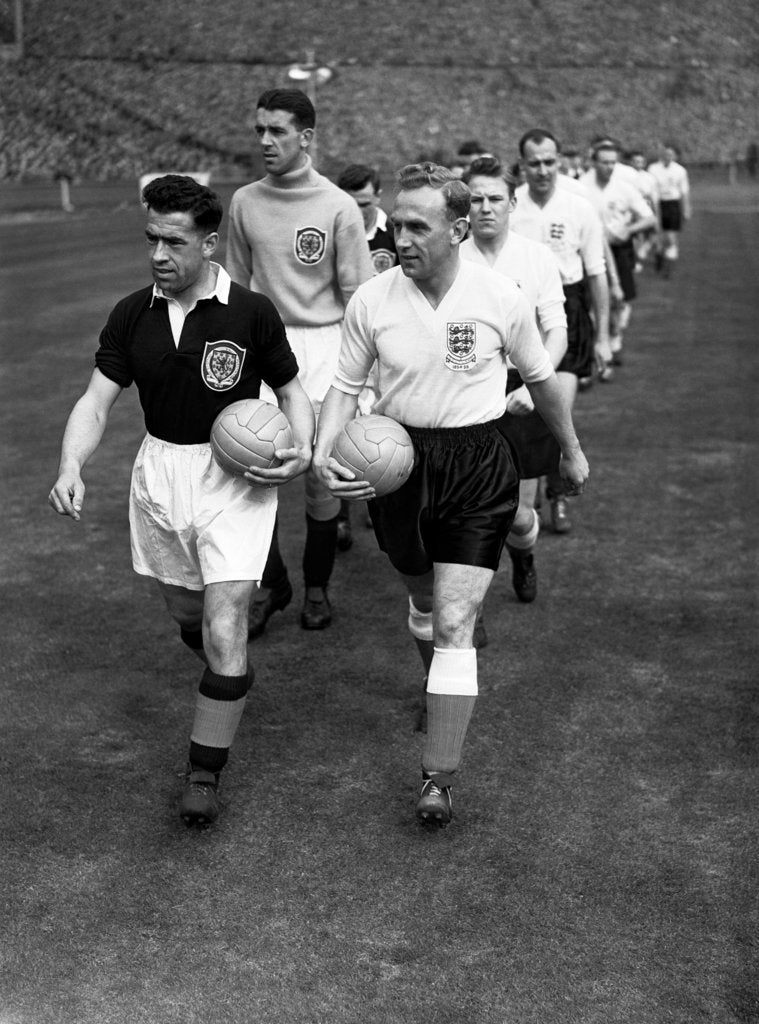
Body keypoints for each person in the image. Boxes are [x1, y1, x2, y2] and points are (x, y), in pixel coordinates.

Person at [312, 163, 589, 826]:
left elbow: (543, 379)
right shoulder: (371, 301)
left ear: (458, 229)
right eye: (397, 223)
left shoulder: (500, 296)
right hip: (396, 463)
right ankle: (432, 682)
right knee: (421, 603)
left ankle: (438, 776)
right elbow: (344, 387)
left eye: (417, 226)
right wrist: (323, 452)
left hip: (476, 464)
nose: (400, 237)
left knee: (456, 621)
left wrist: (570, 451)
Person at [48, 175, 315, 827]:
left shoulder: (249, 312)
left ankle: (203, 774)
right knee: (187, 614)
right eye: (152, 240)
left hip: (235, 479)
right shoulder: (130, 314)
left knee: (226, 622)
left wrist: (301, 444)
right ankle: (229, 678)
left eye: (174, 242)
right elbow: (95, 399)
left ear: (209, 243)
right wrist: (70, 462)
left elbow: (294, 389)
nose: (158, 255)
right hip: (160, 474)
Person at [226, 89, 374, 632]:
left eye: (278, 131)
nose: (265, 140)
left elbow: (359, 296)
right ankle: (274, 584)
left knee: (320, 475)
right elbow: (236, 285)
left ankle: (316, 588)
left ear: (306, 137)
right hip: (264, 348)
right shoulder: (244, 201)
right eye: (260, 129)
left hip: (325, 347)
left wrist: (367, 377)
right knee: (250, 471)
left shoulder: (337, 205)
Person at [460, 156, 568, 609]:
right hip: (465, 392)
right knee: (466, 514)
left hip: (521, 390)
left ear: (512, 203)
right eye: (476, 199)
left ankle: (523, 558)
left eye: (495, 199)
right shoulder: (450, 256)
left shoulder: (536, 257)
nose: (485, 207)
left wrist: (532, 384)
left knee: (520, 517)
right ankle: (465, 604)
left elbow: (557, 330)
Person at [510, 128, 609, 534]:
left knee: (557, 409)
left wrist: (602, 335)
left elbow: (597, 273)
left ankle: (557, 496)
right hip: (521, 311)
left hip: (568, 309)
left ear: (560, 160)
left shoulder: (579, 208)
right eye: (534, 163)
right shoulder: (510, 209)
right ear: (522, 166)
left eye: (550, 161)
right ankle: (527, 509)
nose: (543, 170)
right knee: (533, 410)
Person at [580, 141, 657, 365]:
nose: (609, 167)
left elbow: (649, 217)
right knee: (589, 300)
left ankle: (614, 340)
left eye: (613, 162)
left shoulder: (624, 187)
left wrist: (628, 230)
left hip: (618, 248)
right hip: (589, 249)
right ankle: (598, 346)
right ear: (593, 162)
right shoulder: (582, 187)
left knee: (618, 297)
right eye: (604, 162)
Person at [337, 163, 398, 275]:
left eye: (364, 205)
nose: (358, 212)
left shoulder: (396, 236)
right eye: (351, 205)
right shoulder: (331, 235)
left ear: (378, 196)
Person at [647, 144, 691, 278]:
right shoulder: (653, 168)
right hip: (656, 204)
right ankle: (659, 256)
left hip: (672, 205)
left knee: (671, 237)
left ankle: (668, 268)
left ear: (675, 156)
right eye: (666, 154)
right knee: (657, 237)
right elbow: (649, 188)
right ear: (661, 155)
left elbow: (684, 191)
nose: (668, 157)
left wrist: (686, 208)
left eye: (671, 155)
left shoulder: (680, 170)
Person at [627, 150, 660, 270]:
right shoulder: (627, 176)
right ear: (631, 162)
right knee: (638, 235)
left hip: (647, 208)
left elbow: (653, 197)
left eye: (640, 161)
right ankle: (637, 261)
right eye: (635, 161)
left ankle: (644, 252)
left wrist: (655, 212)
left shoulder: (649, 177)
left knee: (654, 234)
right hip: (632, 210)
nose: (638, 164)